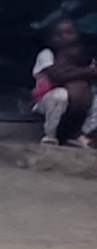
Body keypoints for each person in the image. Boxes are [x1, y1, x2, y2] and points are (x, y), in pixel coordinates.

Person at [30, 10, 91, 147]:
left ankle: (83, 135)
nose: (64, 37)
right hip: (47, 102)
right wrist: (89, 71)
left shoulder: (83, 56)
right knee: (60, 95)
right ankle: (50, 135)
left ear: (78, 35)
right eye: (58, 35)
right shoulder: (47, 54)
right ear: (50, 39)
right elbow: (57, 75)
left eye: (69, 33)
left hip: (80, 104)